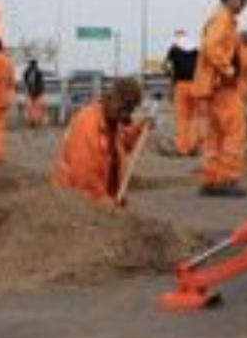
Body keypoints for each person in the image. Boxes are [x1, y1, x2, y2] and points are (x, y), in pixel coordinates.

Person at [192, 0, 247, 197]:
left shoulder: (223, 18)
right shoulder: (222, 18)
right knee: (235, 132)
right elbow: (211, 46)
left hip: (213, 87)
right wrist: (227, 69)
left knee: (214, 135)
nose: (244, 5)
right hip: (222, 86)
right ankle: (227, 179)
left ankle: (211, 179)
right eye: (242, 0)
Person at [49, 78, 147, 207]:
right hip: (73, 199)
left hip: (102, 193)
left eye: (131, 110)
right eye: (126, 109)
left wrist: (140, 128)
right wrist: (105, 201)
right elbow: (85, 177)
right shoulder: (88, 124)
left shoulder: (113, 120)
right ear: (113, 99)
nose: (127, 116)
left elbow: (123, 142)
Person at [163, 29, 201, 157]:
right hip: (196, 86)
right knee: (195, 117)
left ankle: (182, 148)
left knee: (182, 118)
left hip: (181, 86)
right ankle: (193, 146)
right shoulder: (196, 49)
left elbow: (166, 67)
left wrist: (171, 75)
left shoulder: (174, 49)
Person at [21, 58, 47, 128]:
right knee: (35, 108)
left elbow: (26, 82)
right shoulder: (37, 72)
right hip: (35, 92)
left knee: (32, 108)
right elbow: (40, 83)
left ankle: (34, 121)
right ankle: (34, 121)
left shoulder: (28, 72)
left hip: (34, 92)